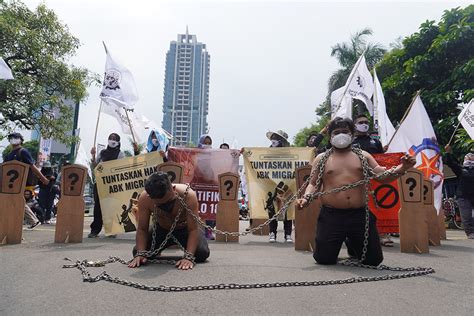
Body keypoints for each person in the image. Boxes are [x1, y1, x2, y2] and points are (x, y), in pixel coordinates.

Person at [297, 117, 416, 266]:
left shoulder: (364, 156)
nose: (341, 135)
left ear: (352, 134)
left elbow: (382, 176)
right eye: (337, 132)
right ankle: (346, 239)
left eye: (345, 131)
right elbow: (313, 183)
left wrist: (403, 167)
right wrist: (306, 198)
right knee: (324, 259)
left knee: (373, 260)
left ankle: (353, 243)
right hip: (331, 215)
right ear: (330, 136)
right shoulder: (321, 158)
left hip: (359, 214)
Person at [128, 172, 210, 270]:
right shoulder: (145, 198)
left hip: (184, 229)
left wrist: (189, 257)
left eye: (169, 201)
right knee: (137, 252)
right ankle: (153, 251)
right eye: (161, 205)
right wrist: (140, 253)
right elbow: (142, 229)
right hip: (161, 228)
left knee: (201, 253)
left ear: (173, 188)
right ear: (151, 197)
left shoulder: (188, 195)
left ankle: (189, 250)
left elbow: (193, 229)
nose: (167, 206)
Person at [351, 114, 393, 247]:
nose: (364, 124)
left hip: (375, 180)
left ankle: (383, 234)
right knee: (358, 206)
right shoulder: (350, 142)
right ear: (355, 125)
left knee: (379, 206)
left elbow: (382, 160)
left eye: (365, 122)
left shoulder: (375, 142)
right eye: (360, 122)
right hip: (357, 179)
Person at [4, 132, 49, 229]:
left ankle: (19, 226)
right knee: (15, 202)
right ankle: (26, 223)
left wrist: (43, 178)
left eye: (16, 137)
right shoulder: (9, 154)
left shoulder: (23, 152)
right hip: (10, 183)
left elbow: (32, 166)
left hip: (21, 182)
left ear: (20, 140)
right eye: (11, 138)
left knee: (17, 201)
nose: (13, 139)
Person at [88, 133, 126, 238]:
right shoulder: (102, 153)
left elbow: (121, 167)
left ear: (118, 141)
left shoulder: (120, 154)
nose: (112, 140)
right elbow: (96, 166)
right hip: (100, 183)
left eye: (115, 139)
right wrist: (93, 156)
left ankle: (112, 230)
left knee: (112, 207)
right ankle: (95, 230)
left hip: (113, 184)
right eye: (111, 138)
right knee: (98, 208)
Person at [266, 129, 293, 242]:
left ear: (282, 140)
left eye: (277, 138)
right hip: (272, 184)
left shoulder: (289, 153)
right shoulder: (267, 152)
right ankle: (272, 233)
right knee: (272, 209)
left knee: (288, 209)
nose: (274, 140)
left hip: (286, 183)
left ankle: (288, 234)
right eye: (273, 137)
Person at [444, 145, 474, 239]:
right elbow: (451, 163)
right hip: (463, 196)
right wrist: (448, 152)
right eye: (469, 157)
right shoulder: (461, 170)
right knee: (466, 215)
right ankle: (470, 232)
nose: (470, 157)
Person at [198, 134, 216, 240]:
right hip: (198, 181)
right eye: (205, 143)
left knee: (209, 206)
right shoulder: (195, 153)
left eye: (209, 143)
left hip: (210, 180)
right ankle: (198, 231)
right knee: (198, 208)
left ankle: (208, 231)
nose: (207, 145)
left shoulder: (213, 154)